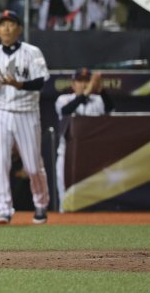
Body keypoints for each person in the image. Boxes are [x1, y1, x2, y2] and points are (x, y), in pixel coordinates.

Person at [0, 10, 50, 225]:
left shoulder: (32, 52)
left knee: (33, 165)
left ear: (19, 29)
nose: (6, 27)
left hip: (27, 112)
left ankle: (41, 204)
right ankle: (4, 209)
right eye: (2, 24)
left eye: (11, 23)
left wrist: (19, 84)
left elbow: (41, 82)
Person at [54, 68, 113, 211]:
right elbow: (66, 111)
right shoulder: (64, 99)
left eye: (87, 81)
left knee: (93, 200)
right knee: (66, 198)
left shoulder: (98, 100)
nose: (84, 84)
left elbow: (111, 109)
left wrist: (101, 90)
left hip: (92, 158)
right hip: (67, 156)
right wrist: (86, 92)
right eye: (80, 81)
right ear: (73, 84)